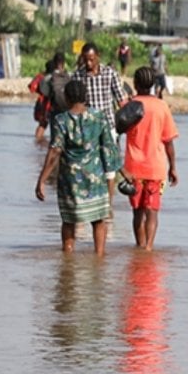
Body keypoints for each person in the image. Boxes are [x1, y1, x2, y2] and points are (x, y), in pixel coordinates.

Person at [35, 79, 122, 256]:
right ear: (85, 96)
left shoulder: (61, 120)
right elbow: (109, 147)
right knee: (98, 220)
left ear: (67, 98)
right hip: (95, 179)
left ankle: (68, 259)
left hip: (71, 181)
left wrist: (41, 180)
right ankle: (99, 258)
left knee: (69, 221)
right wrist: (120, 171)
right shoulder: (99, 117)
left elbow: (54, 152)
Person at [122, 67, 179, 251]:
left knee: (137, 213)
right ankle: (148, 249)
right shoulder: (162, 106)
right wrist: (173, 167)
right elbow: (168, 141)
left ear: (135, 84)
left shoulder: (129, 105)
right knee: (152, 212)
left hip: (133, 168)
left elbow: (118, 128)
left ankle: (139, 247)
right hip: (156, 168)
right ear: (154, 84)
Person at [73, 42, 127, 133]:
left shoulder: (110, 73)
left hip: (108, 125)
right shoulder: (77, 76)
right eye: (85, 60)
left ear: (98, 56)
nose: (88, 63)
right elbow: (74, 103)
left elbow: (121, 100)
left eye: (91, 60)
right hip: (87, 128)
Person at [28, 59, 52, 142]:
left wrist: (40, 92)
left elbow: (32, 87)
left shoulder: (41, 76)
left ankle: (37, 142)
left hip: (42, 103)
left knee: (42, 124)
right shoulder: (56, 76)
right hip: (50, 104)